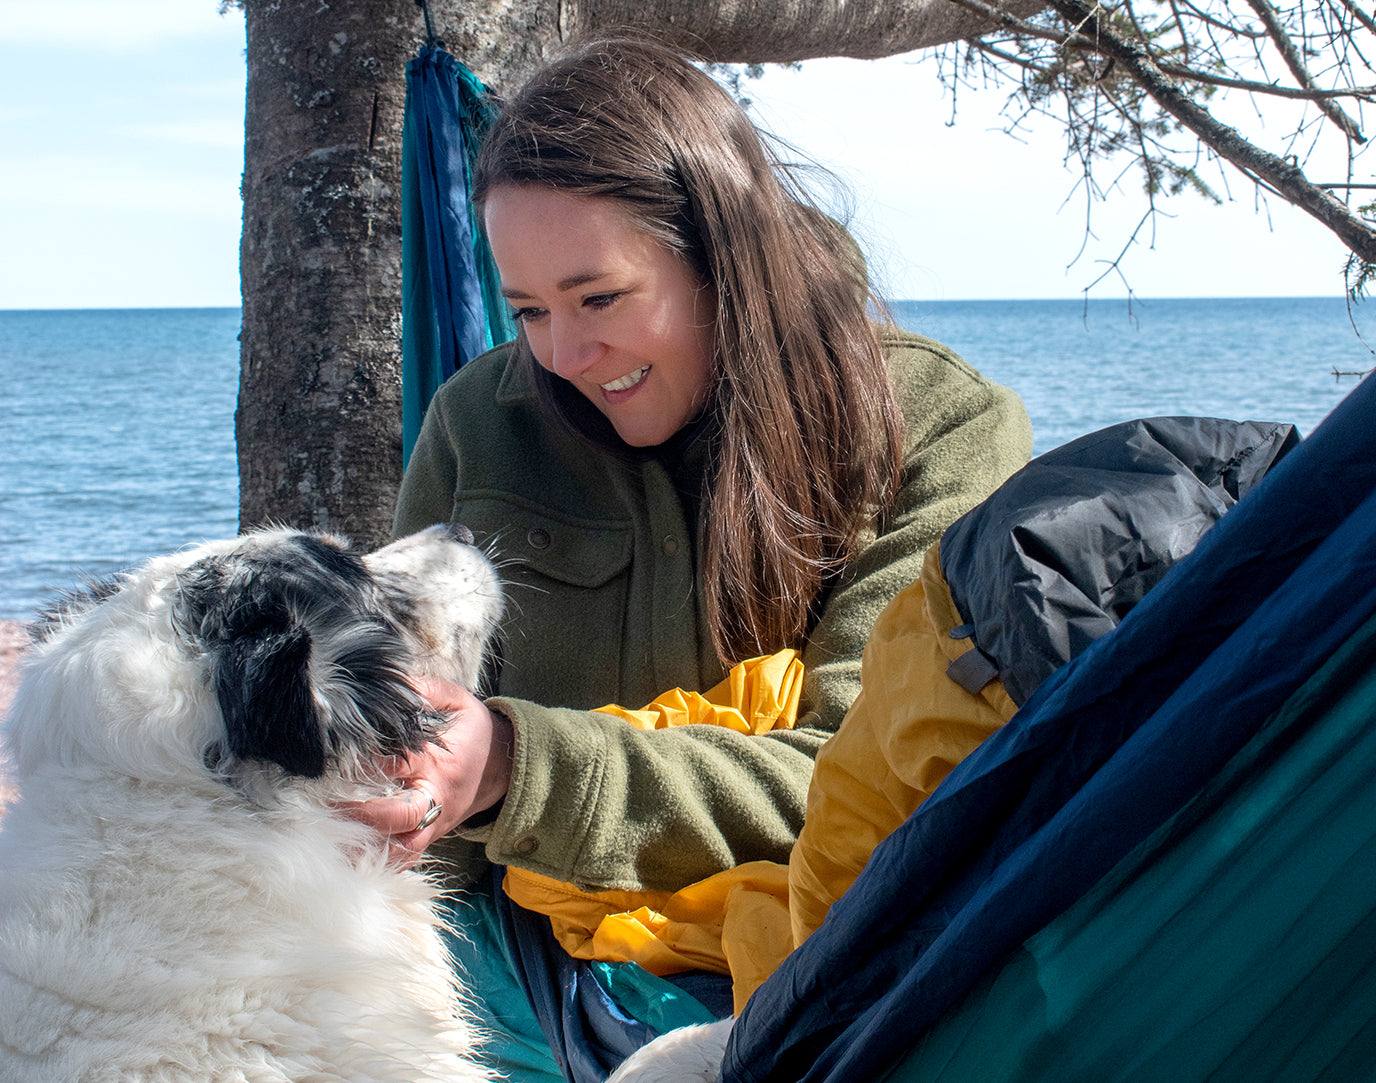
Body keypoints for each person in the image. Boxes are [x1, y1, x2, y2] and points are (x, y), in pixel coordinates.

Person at [351, 34, 1032, 1080]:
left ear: (723, 256)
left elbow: (867, 785)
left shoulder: (937, 429)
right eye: (527, 309)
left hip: (831, 987)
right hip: (510, 989)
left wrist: (515, 766)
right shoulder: (475, 425)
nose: (559, 359)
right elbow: (411, 762)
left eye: (598, 299)